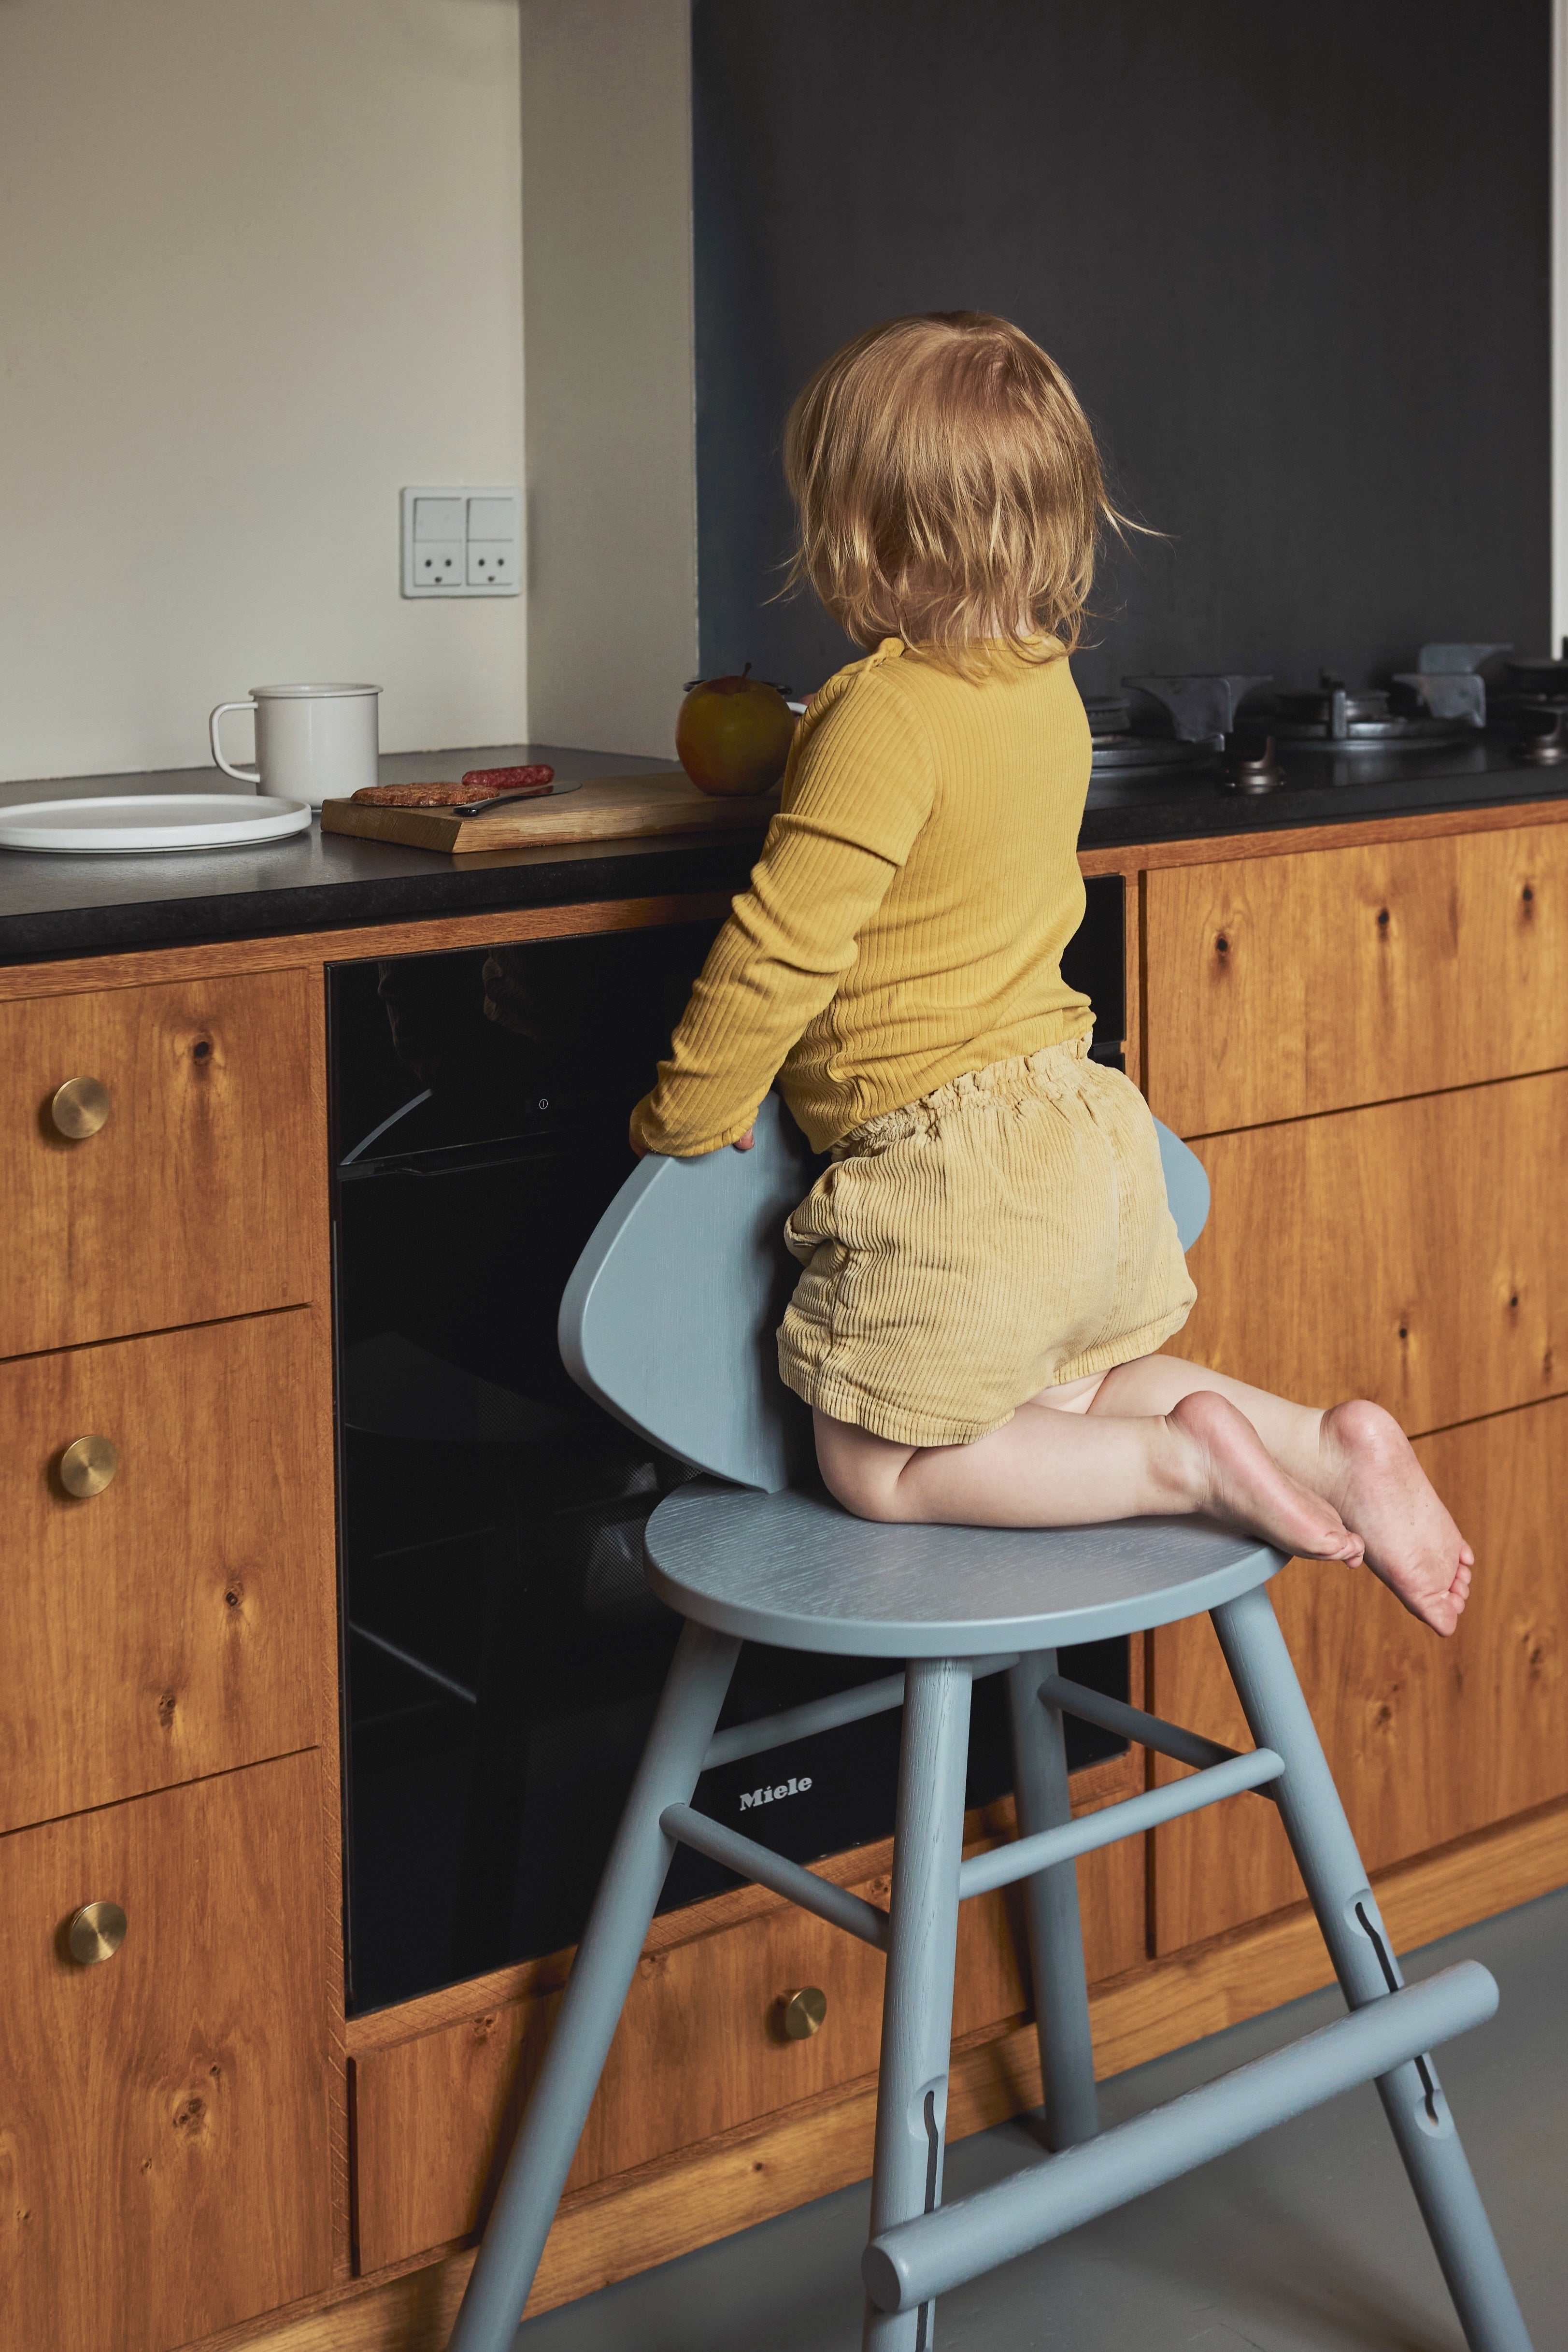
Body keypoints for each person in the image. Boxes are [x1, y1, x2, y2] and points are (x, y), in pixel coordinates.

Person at [630, 311, 1471, 1638]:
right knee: (1067, 1400)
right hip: (1087, 1139)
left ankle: (1185, 1462)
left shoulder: (879, 708)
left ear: (859, 524)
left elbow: (784, 941)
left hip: (953, 1176)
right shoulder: (1045, 689)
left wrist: (686, 1108)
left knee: (879, 1462)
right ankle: (1323, 1444)